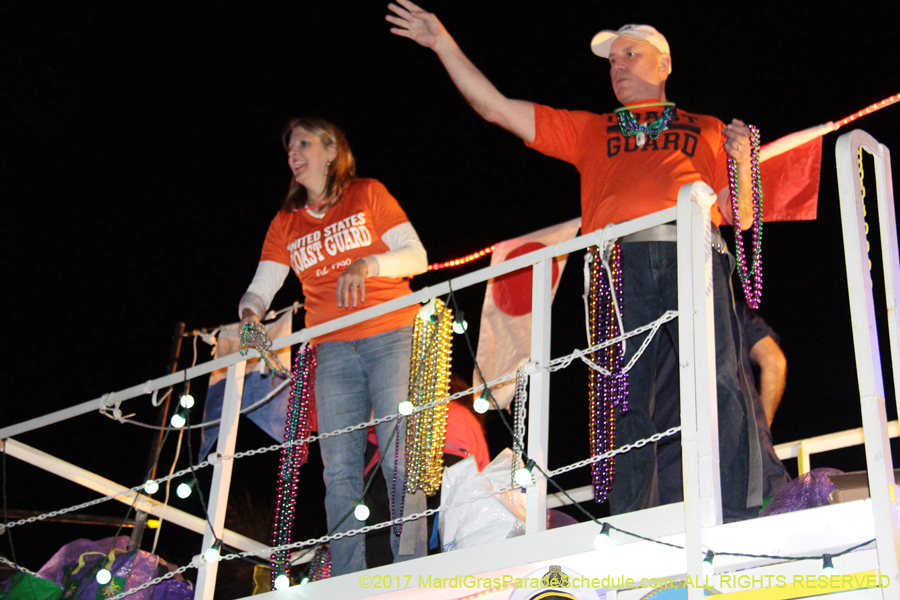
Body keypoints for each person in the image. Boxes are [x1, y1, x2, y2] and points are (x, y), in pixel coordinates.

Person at [387, 1, 762, 521]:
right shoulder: (593, 129)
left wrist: (742, 162)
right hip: (618, 266)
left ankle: (742, 510)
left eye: (630, 54)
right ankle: (635, 522)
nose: (619, 66)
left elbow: (738, 215)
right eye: (611, 60)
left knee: (720, 380)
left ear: (664, 64)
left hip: (693, 252)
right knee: (626, 401)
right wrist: (442, 43)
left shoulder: (707, 126)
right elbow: (495, 106)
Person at [239, 117, 429, 575]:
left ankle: (411, 564)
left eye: (303, 142)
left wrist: (367, 262)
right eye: (288, 146)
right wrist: (249, 316)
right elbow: (260, 288)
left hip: (390, 332)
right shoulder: (286, 222)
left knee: (398, 449)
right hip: (333, 350)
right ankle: (346, 574)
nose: (292, 152)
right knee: (337, 468)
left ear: (330, 150)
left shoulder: (368, 194)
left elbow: (416, 256)